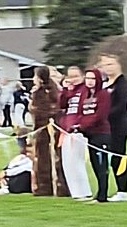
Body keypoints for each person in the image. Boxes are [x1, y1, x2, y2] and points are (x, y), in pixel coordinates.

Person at [29, 66, 69, 197]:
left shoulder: (46, 91)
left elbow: (45, 110)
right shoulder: (47, 90)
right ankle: (45, 185)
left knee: (48, 157)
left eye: (35, 76)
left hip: (48, 129)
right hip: (42, 129)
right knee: (43, 157)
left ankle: (53, 186)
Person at [99, 53, 127, 202]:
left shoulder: (122, 84)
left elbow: (121, 105)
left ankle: (122, 190)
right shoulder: (104, 84)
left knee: (119, 157)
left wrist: (103, 115)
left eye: (111, 64)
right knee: (107, 158)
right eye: (105, 65)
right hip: (105, 128)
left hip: (118, 126)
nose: (108, 68)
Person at [77, 69, 113, 204]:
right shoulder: (85, 95)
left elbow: (100, 115)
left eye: (92, 78)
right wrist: (79, 126)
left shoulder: (103, 95)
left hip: (101, 134)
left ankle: (102, 195)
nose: (89, 81)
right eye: (87, 78)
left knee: (102, 165)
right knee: (94, 164)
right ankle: (99, 194)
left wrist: (84, 125)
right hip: (89, 135)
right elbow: (81, 113)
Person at [58, 66, 93, 201]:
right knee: (68, 162)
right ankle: (76, 191)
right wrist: (66, 90)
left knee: (76, 161)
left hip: (78, 130)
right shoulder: (70, 91)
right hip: (67, 129)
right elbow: (62, 104)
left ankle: (84, 190)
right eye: (70, 76)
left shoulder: (85, 91)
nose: (73, 79)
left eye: (75, 76)